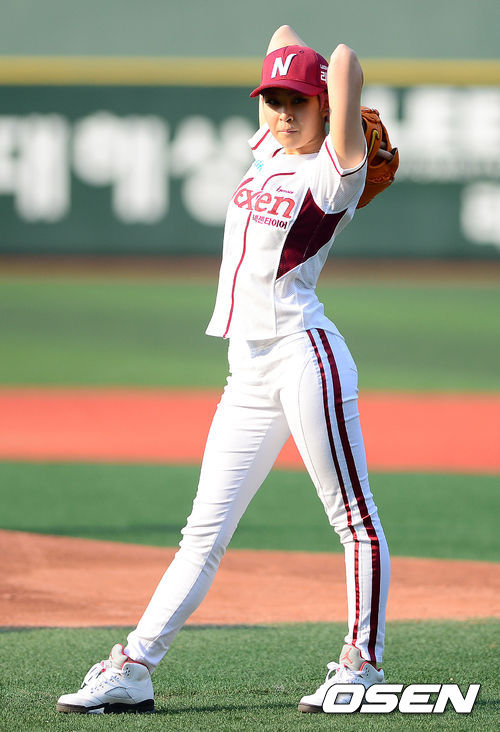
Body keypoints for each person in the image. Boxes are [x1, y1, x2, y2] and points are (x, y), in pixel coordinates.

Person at [56, 24, 391, 715]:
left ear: (323, 107)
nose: (284, 112)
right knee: (202, 534)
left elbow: (346, 61)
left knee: (352, 519)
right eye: (273, 99)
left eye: (298, 101)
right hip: (247, 371)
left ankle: (362, 666)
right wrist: (290, 72)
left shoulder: (332, 173)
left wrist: (333, 103)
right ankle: (134, 668)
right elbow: (281, 36)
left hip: (305, 356)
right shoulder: (268, 148)